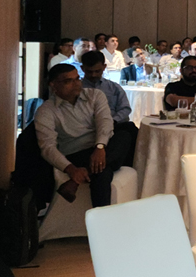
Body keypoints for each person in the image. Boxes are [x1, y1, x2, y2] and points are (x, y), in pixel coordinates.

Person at [34, 64, 132, 206]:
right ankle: (102, 221)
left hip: (101, 146)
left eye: (77, 79)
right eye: (69, 81)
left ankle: (76, 183)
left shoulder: (94, 95)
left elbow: (105, 122)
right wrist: (71, 169)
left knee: (125, 134)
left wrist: (99, 147)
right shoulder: (46, 111)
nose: (76, 84)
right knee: (102, 172)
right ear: (53, 85)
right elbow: (47, 147)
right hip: (76, 153)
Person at [82, 51, 138, 165]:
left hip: (113, 124)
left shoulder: (113, 87)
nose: (93, 75)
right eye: (89, 71)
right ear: (82, 68)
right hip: (87, 126)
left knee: (130, 128)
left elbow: (125, 108)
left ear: (104, 67)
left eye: (97, 71)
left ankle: (130, 164)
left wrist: (113, 121)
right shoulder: (77, 89)